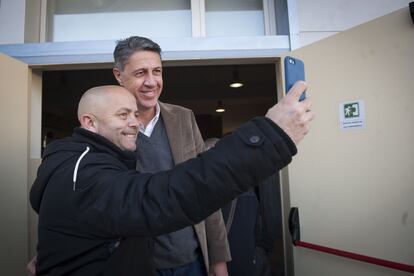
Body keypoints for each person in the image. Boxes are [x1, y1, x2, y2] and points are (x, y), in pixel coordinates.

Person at [30, 82, 313, 275]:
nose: (135, 123)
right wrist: (269, 137)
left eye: (135, 114)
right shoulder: (83, 173)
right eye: (123, 115)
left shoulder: (81, 159)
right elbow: (167, 196)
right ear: (90, 122)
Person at [112, 36, 229, 276]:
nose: (151, 82)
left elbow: (207, 190)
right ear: (118, 75)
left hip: (192, 262)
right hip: (135, 266)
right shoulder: (106, 126)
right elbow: (84, 197)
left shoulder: (184, 118)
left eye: (157, 71)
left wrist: (218, 262)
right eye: (140, 73)